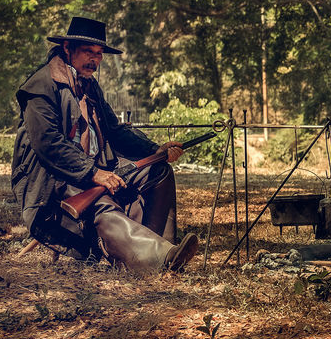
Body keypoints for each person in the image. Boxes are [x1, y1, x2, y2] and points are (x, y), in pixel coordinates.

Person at [11, 16, 198, 273]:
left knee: (158, 172)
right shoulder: (41, 86)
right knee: (101, 204)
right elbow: (48, 144)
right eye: (89, 52)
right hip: (54, 182)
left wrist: (155, 150)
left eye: (99, 54)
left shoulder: (89, 85)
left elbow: (115, 131)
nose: (95, 60)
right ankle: (159, 259)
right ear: (67, 48)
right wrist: (94, 173)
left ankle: (158, 249)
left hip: (96, 170)